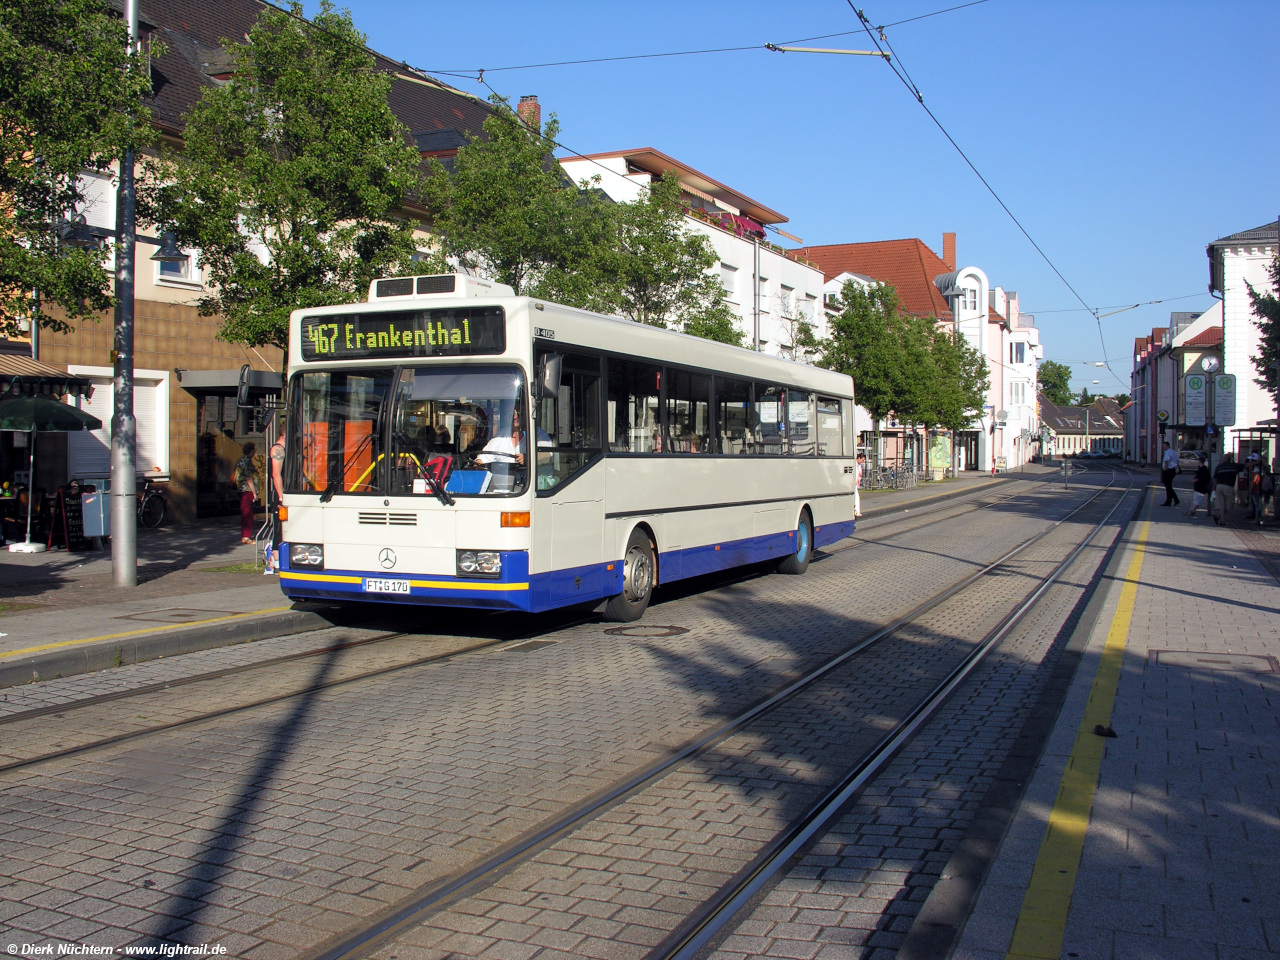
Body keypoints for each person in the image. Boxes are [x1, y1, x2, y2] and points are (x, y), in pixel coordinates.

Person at [265, 435, 285, 572]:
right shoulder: (278, 449)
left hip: (281, 495)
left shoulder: (281, 449)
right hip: (279, 497)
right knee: (279, 528)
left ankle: (275, 558)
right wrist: (281, 497)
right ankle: (274, 559)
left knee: (283, 528)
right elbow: (276, 474)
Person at [233, 441, 257, 544]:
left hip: (241, 489)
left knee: (246, 512)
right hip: (247, 490)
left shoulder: (241, 460)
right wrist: (254, 492)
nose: (255, 452)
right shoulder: (246, 461)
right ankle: (246, 536)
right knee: (248, 513)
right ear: (251, 451)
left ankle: (246, 535)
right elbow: (248, 477)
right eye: (254, 450)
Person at [1212, 452, 1244, 526]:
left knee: (1221, 504)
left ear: (1224, 459)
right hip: (1228, 487)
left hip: (1219, 486)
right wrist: (1257, 462)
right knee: (1229, 504)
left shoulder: (1219, 466)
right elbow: (1246, 465)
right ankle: (1222, 520)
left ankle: (1218, 516)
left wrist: (1214, 487)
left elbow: (1214, 478)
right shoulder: (1234, 466)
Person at [1185, 453, 1211, 518]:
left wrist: (1194, 480)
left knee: (1197, 500)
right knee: (1196, 499)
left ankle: (1192, 510)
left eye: (1198, 461)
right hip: (1200, 487)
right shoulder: (1203, 469)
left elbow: (1200, 478)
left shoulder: (1202, 470)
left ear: (1199, 461)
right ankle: (1191, 510)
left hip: (1200, 487)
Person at [1159, 440, 1179, 506]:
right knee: (1169, 486)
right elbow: (1177, 460)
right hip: (1173, 470)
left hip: (1168, 471)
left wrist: (1165, 469)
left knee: (1168, 486)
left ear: (1168, 446)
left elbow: (1166, 461)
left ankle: (1174, 499)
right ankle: (1170, 501)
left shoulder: (1167, 452)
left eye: (1164, 446)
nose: (1163, 447)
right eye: (1163, 446)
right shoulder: (1174, 452)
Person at [1246, 453, 1263, 523]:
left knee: (1257, 504)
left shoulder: (1256, 469)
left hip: (1256, 488)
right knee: (1256, 504)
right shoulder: (1256, 468)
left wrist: (1251, 487)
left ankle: (1257, 518)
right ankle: (1257, 517)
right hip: (1256, 488)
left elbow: (1255, 479)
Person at [854, 452, 866, 518]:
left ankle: (856, 510)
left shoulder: (858, 465)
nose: (862, 462)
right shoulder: (854, 464)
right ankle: (857, 511)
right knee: (856, 497)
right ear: (858, 458)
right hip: (854, 483)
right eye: (862, 460)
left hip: (856, 483)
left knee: (856, 496)